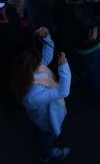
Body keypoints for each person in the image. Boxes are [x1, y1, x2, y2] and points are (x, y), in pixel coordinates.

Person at [9, 33, 69, 161]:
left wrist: (47, 38)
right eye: (40, 63)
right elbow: (63, 92)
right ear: (33, 70)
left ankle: (37, 140)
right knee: (46, 138)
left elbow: (46, 58)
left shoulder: (24, 75)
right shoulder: (33, 95)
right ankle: (46, 156)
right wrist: (64, 66)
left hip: (37, 118)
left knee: (38, 131)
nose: (43, 62)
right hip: (46, 121)